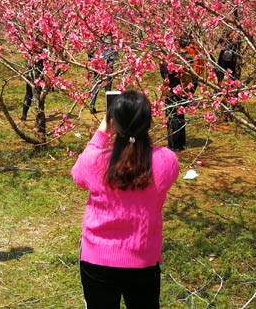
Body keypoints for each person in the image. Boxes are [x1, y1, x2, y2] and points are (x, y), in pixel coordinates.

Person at [71, 91, 179, 308]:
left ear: (113, 122)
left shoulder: (94, 160)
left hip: (97, 260)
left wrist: (101, 132)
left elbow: (77, 174)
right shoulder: (166, 160)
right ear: (148, 123)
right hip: (143, 258)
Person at [159, 36, 202, 151]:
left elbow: (164, 73)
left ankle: (174, 145)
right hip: (184, 90)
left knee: (172, 116)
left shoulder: (170, 58)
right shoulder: (190, 57)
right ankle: (181, 143)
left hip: (172, 89)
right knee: (180, 115)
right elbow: (195, 76)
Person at [88, 36, 118, 114]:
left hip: (98, 66)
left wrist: (92, 62)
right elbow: (115, 56)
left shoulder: (96, 40)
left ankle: (92, 105)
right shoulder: (111, 41)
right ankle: (109, 107)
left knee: (96, 86)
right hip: (106, 66)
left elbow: (90, 54)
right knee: (107, 87)